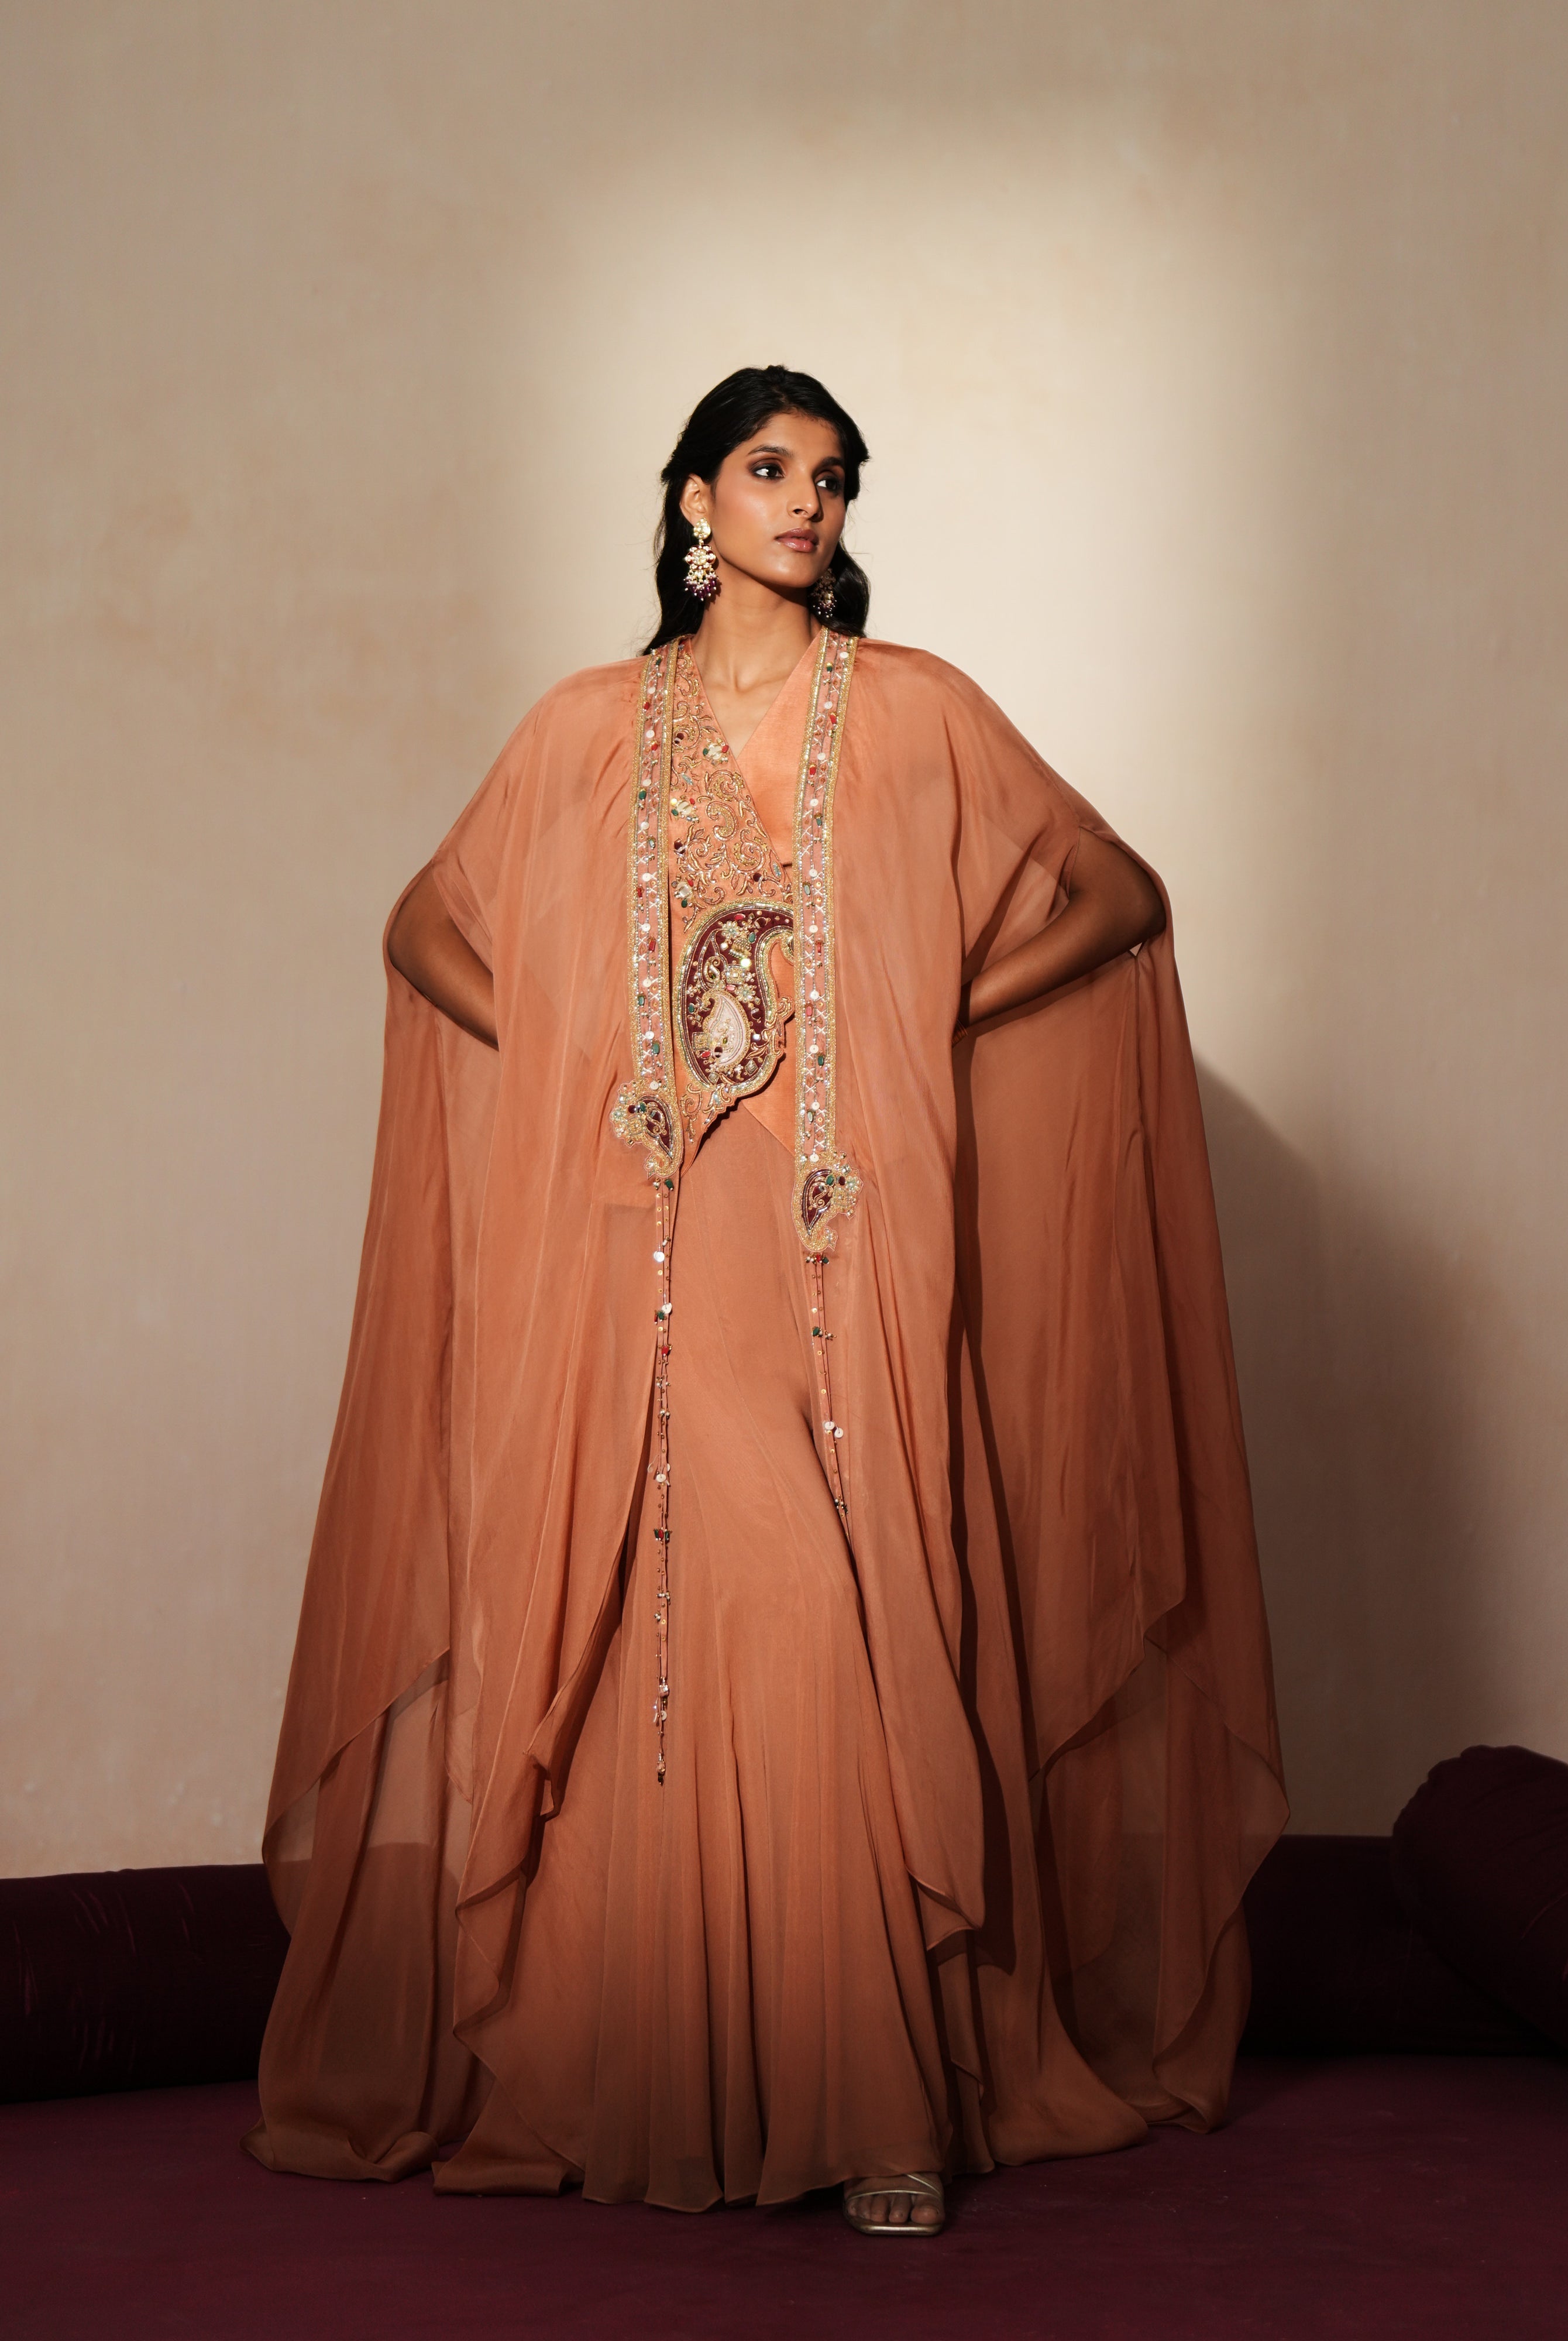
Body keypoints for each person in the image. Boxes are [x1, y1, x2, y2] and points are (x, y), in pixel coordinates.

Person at [246, 366, 1286, 2237]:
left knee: (835, 1617)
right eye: (771, 468)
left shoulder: (917, 712)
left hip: (846, 1248)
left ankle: (878, 2100)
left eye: (834, 478)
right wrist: (577, 1059)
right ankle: (641, 2078)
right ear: (693, 502)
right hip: (641, 1256)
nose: (809, 503)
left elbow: (1118, 894)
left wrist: (929, 1016)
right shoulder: (587, 730)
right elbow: (423, 927)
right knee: (645, 1638)